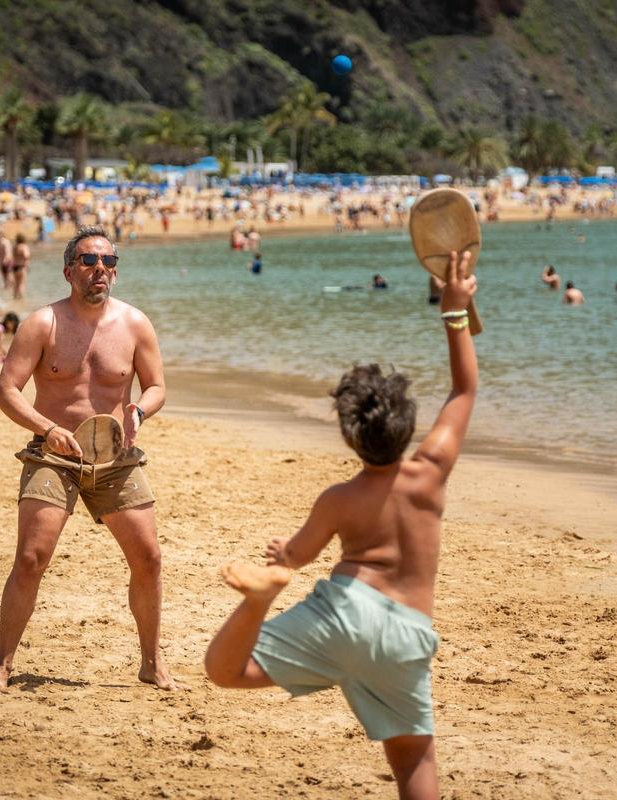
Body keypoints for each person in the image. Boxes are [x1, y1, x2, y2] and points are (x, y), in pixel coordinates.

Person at [203, 250, 479, 800]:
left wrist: (284, 556)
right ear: (409, 425)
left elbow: (299, 556)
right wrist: (454, 313)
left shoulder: (338, 498)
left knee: (225, 670)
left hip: (345, 612)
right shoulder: (430, 474)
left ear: (350, 436)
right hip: (407, 632)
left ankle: (257, 602)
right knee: (414, 758)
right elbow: (465, 390)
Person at [0, 225, 174, 692]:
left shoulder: (134, 324)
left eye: (108, 262)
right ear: (69, 271)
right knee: (31, 557)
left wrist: (139, 411)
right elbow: (6, 392)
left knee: (148, 559)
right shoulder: (41, 323)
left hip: (115, 457)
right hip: (53, 456)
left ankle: (151, 663)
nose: (99, 269)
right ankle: (3, 665)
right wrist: (47, 429)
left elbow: (157, 386)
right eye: (88, 261)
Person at [12, 233, 31, 300]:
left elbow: (13, 257)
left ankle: (15, 299)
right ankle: (21, 300)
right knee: (21, 284)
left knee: (16, 284)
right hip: (22, 267)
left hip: (15, 267)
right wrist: (27, 263)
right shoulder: (24, 246)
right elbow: (26, 255)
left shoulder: (15, 247)